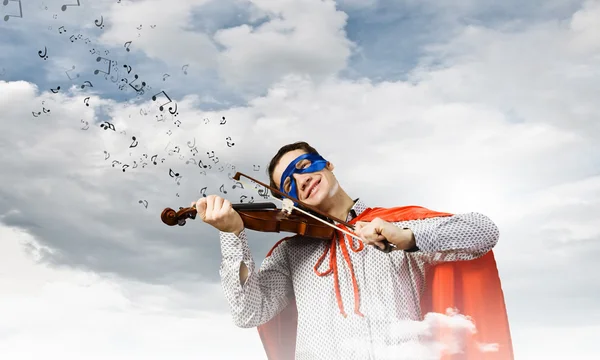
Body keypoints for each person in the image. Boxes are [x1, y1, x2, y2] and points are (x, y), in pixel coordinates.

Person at [192, 141, 513, 360]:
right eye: (289, 184)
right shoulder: (291, 252)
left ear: (327, 164)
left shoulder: (395, 224)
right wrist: (233, 235)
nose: (301, 180)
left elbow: (483, 231)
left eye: (304, 166)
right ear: (288, 200)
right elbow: (250, 313)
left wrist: (406, 237)